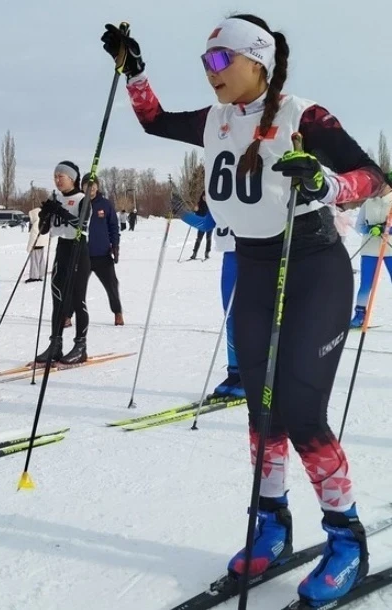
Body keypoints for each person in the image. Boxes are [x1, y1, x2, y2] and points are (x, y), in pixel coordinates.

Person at [102, 14, 392, 604]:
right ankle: (274, 525)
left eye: (218, 61)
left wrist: (327, 185)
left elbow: (374, 176)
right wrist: (135, 71)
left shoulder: (301, 116)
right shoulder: (214, 120)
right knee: (262, 412)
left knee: (302, 409)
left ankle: (346, 542)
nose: (210, 73)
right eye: (204, 63)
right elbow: (154, 121)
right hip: (256, 270)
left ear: (255, 59)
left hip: (311, 265)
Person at [180, 193, 244, 398]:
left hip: (252, 255)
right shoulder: (220, 197)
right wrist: (182, 213)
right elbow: (206, 223)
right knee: (231, 316)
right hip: (230, 258)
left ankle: (253, 374)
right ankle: (234, 373)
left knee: (251, 316)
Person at [35, 161, 92, 365]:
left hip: (79, 250)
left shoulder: (82, 199)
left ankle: (80, 346)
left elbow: (82, 224)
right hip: (62, 249)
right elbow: (43, 230)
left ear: (73, 178)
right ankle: (55, 344)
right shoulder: (56, 198)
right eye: (55, 176)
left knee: (78, 300)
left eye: (61, 176)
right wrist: (45, 215)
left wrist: (61, 212)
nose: (57, 179)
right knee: (58, 299)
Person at [350, 176, 392, 328]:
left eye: (382, 184)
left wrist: (384, 229)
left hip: (390, 248)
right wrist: (369, 229)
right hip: (370, 249)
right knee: (366, 284)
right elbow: (359, 225)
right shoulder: (369, 202)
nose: (379, 187)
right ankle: (360, 315)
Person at [85, 179, 123, 325]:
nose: (90, 189)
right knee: (75, 286)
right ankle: (68, 315)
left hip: (102, 254)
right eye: (87, 186)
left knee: (112, 285)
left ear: (97, 187)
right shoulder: (80, 203)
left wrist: (115, 246)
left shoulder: (105, 205)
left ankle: (117, 313)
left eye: (93, 186)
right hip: (83, 255)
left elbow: (114, 226)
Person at [26, 206, 48, 283]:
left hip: (36, 245)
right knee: (41, 260)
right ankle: (41, 273)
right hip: (42, 244)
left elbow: (33, 238)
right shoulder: (43, 221)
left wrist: (29, 248)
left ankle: (34, 276)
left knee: (34, 261)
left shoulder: (36, 224)